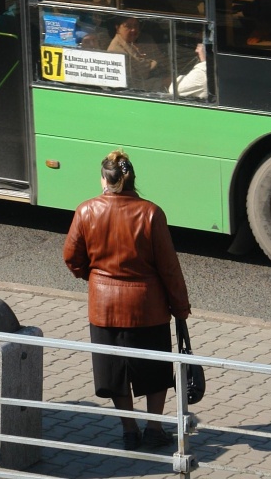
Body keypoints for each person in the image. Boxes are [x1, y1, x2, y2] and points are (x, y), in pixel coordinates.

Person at [63, 150, 191, 451]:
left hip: (103, 307)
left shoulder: (86, 211)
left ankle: (129, 431)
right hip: (148, 309)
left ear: (104, 180)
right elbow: (169, 268)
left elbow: (71, 256)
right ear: (131, 178)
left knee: (115, 373)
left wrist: (93, 278)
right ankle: (154, 429)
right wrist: (180, 308)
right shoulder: (151, 213)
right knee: (155, 372)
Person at [107, 16, 160, 86]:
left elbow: (161, 60)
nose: (133, 30)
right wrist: (162, 82)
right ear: (117, 28)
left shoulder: (146, 39)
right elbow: (134, 84)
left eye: (136, 25)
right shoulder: (115, 52)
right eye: (128, 26)